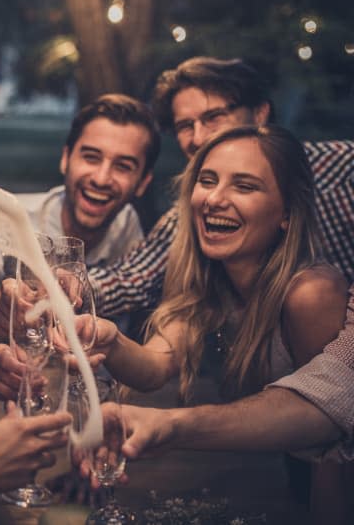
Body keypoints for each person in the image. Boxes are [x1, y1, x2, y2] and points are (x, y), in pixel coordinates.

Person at [85, 125, 350, 521]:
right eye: (207, 181)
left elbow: (336, 439)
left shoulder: (310, 292)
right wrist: (109, 340)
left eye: (244, 186)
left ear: (287, 214)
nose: (214, 199)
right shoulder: (214, 280)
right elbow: (155, 365)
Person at [88, 57, 354, 319]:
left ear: (260, 113)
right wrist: (70, 287)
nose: (200, 137)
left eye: (213, 116)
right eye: (185, 126)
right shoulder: (197, 212)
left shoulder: (342, 168)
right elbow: (134, 277)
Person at [0, 94, 159, 399]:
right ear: (65, 158)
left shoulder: (127, 224)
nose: (101, 178)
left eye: (123, 166)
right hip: (7, 394)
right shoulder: (11, 217)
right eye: (91, 157)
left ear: (142, 182)